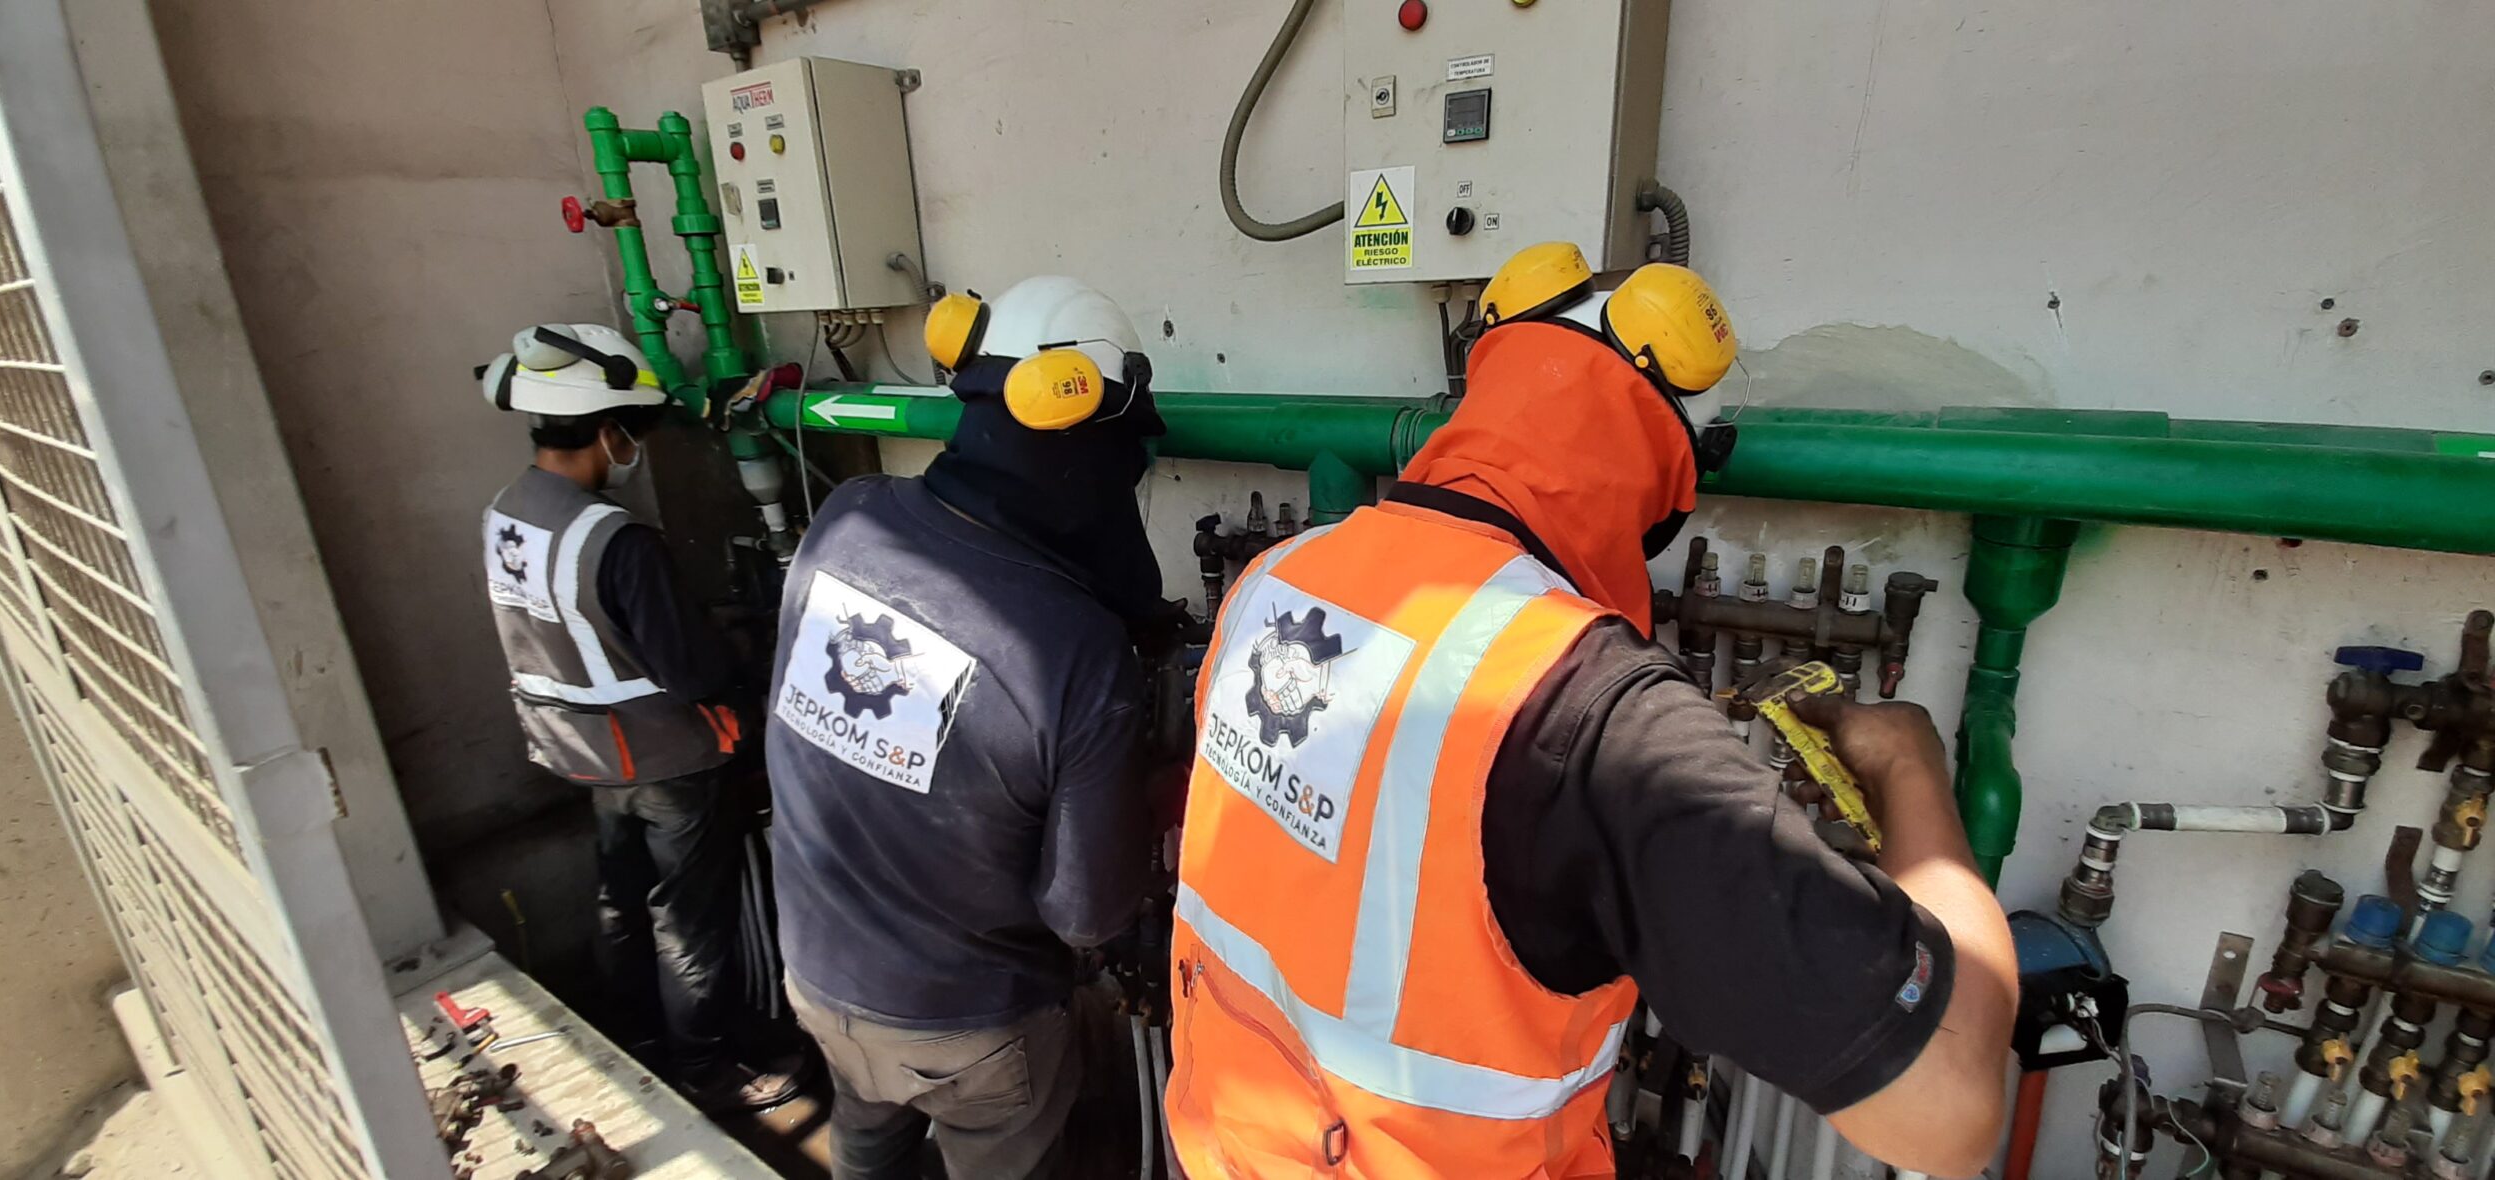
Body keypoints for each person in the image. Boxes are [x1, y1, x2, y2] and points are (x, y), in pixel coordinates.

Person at [1164, 244, 2018, 1179]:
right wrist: (1910, 769)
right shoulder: (1589, 704)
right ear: (1663, 473)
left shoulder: (1275, 582)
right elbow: (1950, 1107)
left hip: (1229, 1149)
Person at [764, 276, 1165, 1178]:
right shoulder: (1072, 647)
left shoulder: (846, 517)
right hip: (970, 1033)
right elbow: (1088, 914)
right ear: (1087, 440)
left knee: (866, 1143)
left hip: (818, 972)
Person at [475, 323, 793, 1113]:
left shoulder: (506, 511)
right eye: (634, 432)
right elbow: (693, 673)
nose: (635, 449)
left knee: (620, 900)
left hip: (578, 750)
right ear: (606, 431)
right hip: (663, 758)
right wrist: (749, 672)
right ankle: (706, 1068)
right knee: (688, 921)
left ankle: (634, 1039)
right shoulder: (617, 540)